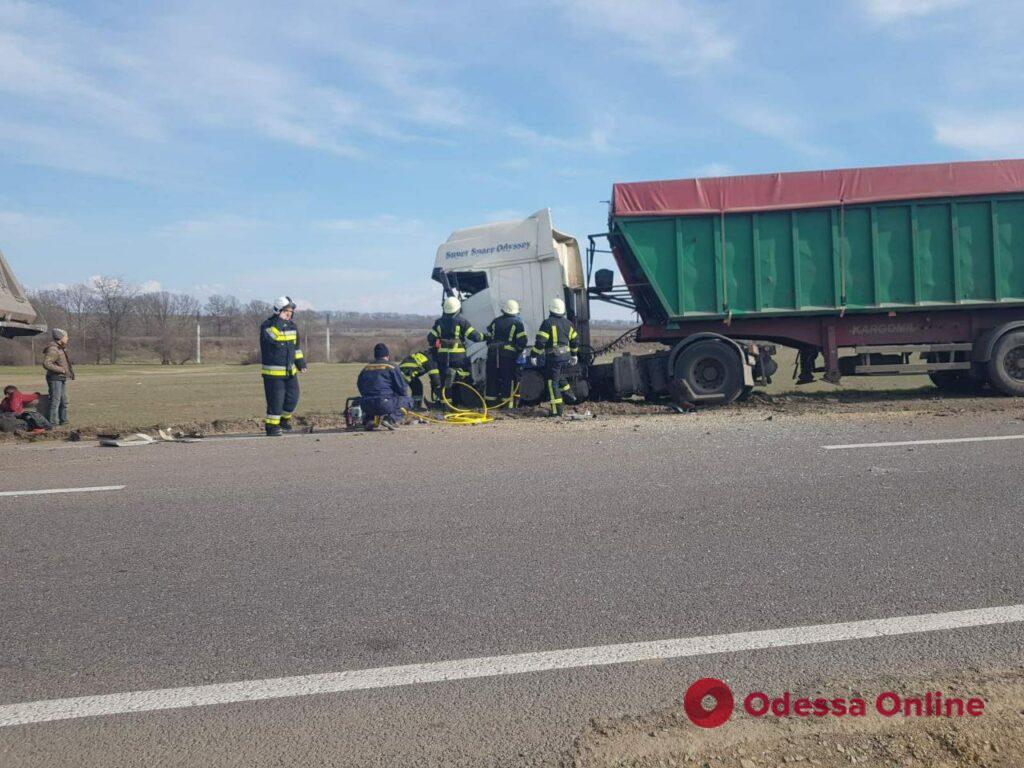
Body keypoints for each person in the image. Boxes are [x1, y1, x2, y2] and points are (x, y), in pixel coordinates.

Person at [260, 296, 306, 436]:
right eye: (287, 310)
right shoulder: (268, 325)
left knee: (293, 398)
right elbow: (271, 338)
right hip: (273, 374)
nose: (290, 313)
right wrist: (280, 321)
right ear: (279, 310)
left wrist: (301, 363)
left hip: (290, 371)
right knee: (276, 402)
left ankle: (284, 421)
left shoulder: (292, 326)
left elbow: (296, 348)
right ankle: (272, 427)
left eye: (291, 311)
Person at [427, 296, 483, 408]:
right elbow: (476, 337)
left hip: (443, 358)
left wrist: (439, 342)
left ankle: (446, 406)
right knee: (464, 379)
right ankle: (464, 403)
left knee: (445, 382)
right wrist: (486, 336)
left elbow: (430, 339)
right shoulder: (462, 322)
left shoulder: (439, 322)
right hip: (459, 358)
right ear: (458, 308)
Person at [531, 297, 580, 416]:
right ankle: (570, 397)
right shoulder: (568, 323)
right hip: (566, 357)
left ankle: (556, 411)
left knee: (552, 383)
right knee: (560, 377)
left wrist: (534, 355)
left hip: (554, 358)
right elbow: (575, 341)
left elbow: (541, 342)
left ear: (551, 310)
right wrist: (574, 355)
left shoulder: (547, 323)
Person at [357, 343, 413, 430]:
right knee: (408, 401)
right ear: (387, 355)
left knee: (372, 398)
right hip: (384, 404)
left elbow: (360, 386)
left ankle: (369, 420)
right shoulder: (392, 367)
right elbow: (402, 389)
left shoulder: (366, 368)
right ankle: (391, 420)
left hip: (365, 405)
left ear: (375, 356)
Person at [484, 299, 528, 408]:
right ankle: (506, 404)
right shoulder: (518, 323)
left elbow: (488, 337)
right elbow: (522, 341)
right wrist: (518, 351)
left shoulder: (495, 321)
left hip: (493, 354)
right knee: (507, 379)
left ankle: (490, 404)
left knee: (492, 379)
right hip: (508, 356)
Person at [42, 328, 74, 426]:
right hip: (55, 378)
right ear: (60, 337)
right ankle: (52, 423)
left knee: (64, 401)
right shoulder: (53, 349)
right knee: (55, 401)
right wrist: (62, 370)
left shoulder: (60, 347)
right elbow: (46, 364)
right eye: (66, 336)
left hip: (61, 378)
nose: (67, 338)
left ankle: (64, 421)